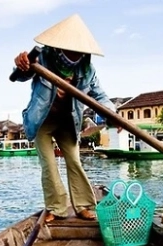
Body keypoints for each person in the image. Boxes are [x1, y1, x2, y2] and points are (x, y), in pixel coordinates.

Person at [13, 14, 117, 223]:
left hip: (68, 122)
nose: (74, 54)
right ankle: (55, 207)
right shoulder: (41, 58)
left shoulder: (87, 70)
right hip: (42, 120)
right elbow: (19, 76)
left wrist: (112, 113)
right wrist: (22, 64)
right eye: (70, 49)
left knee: (75, 162)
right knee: (49, 165)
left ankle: (84, 206)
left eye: (78, 51)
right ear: (59, 46)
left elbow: (100, 96)